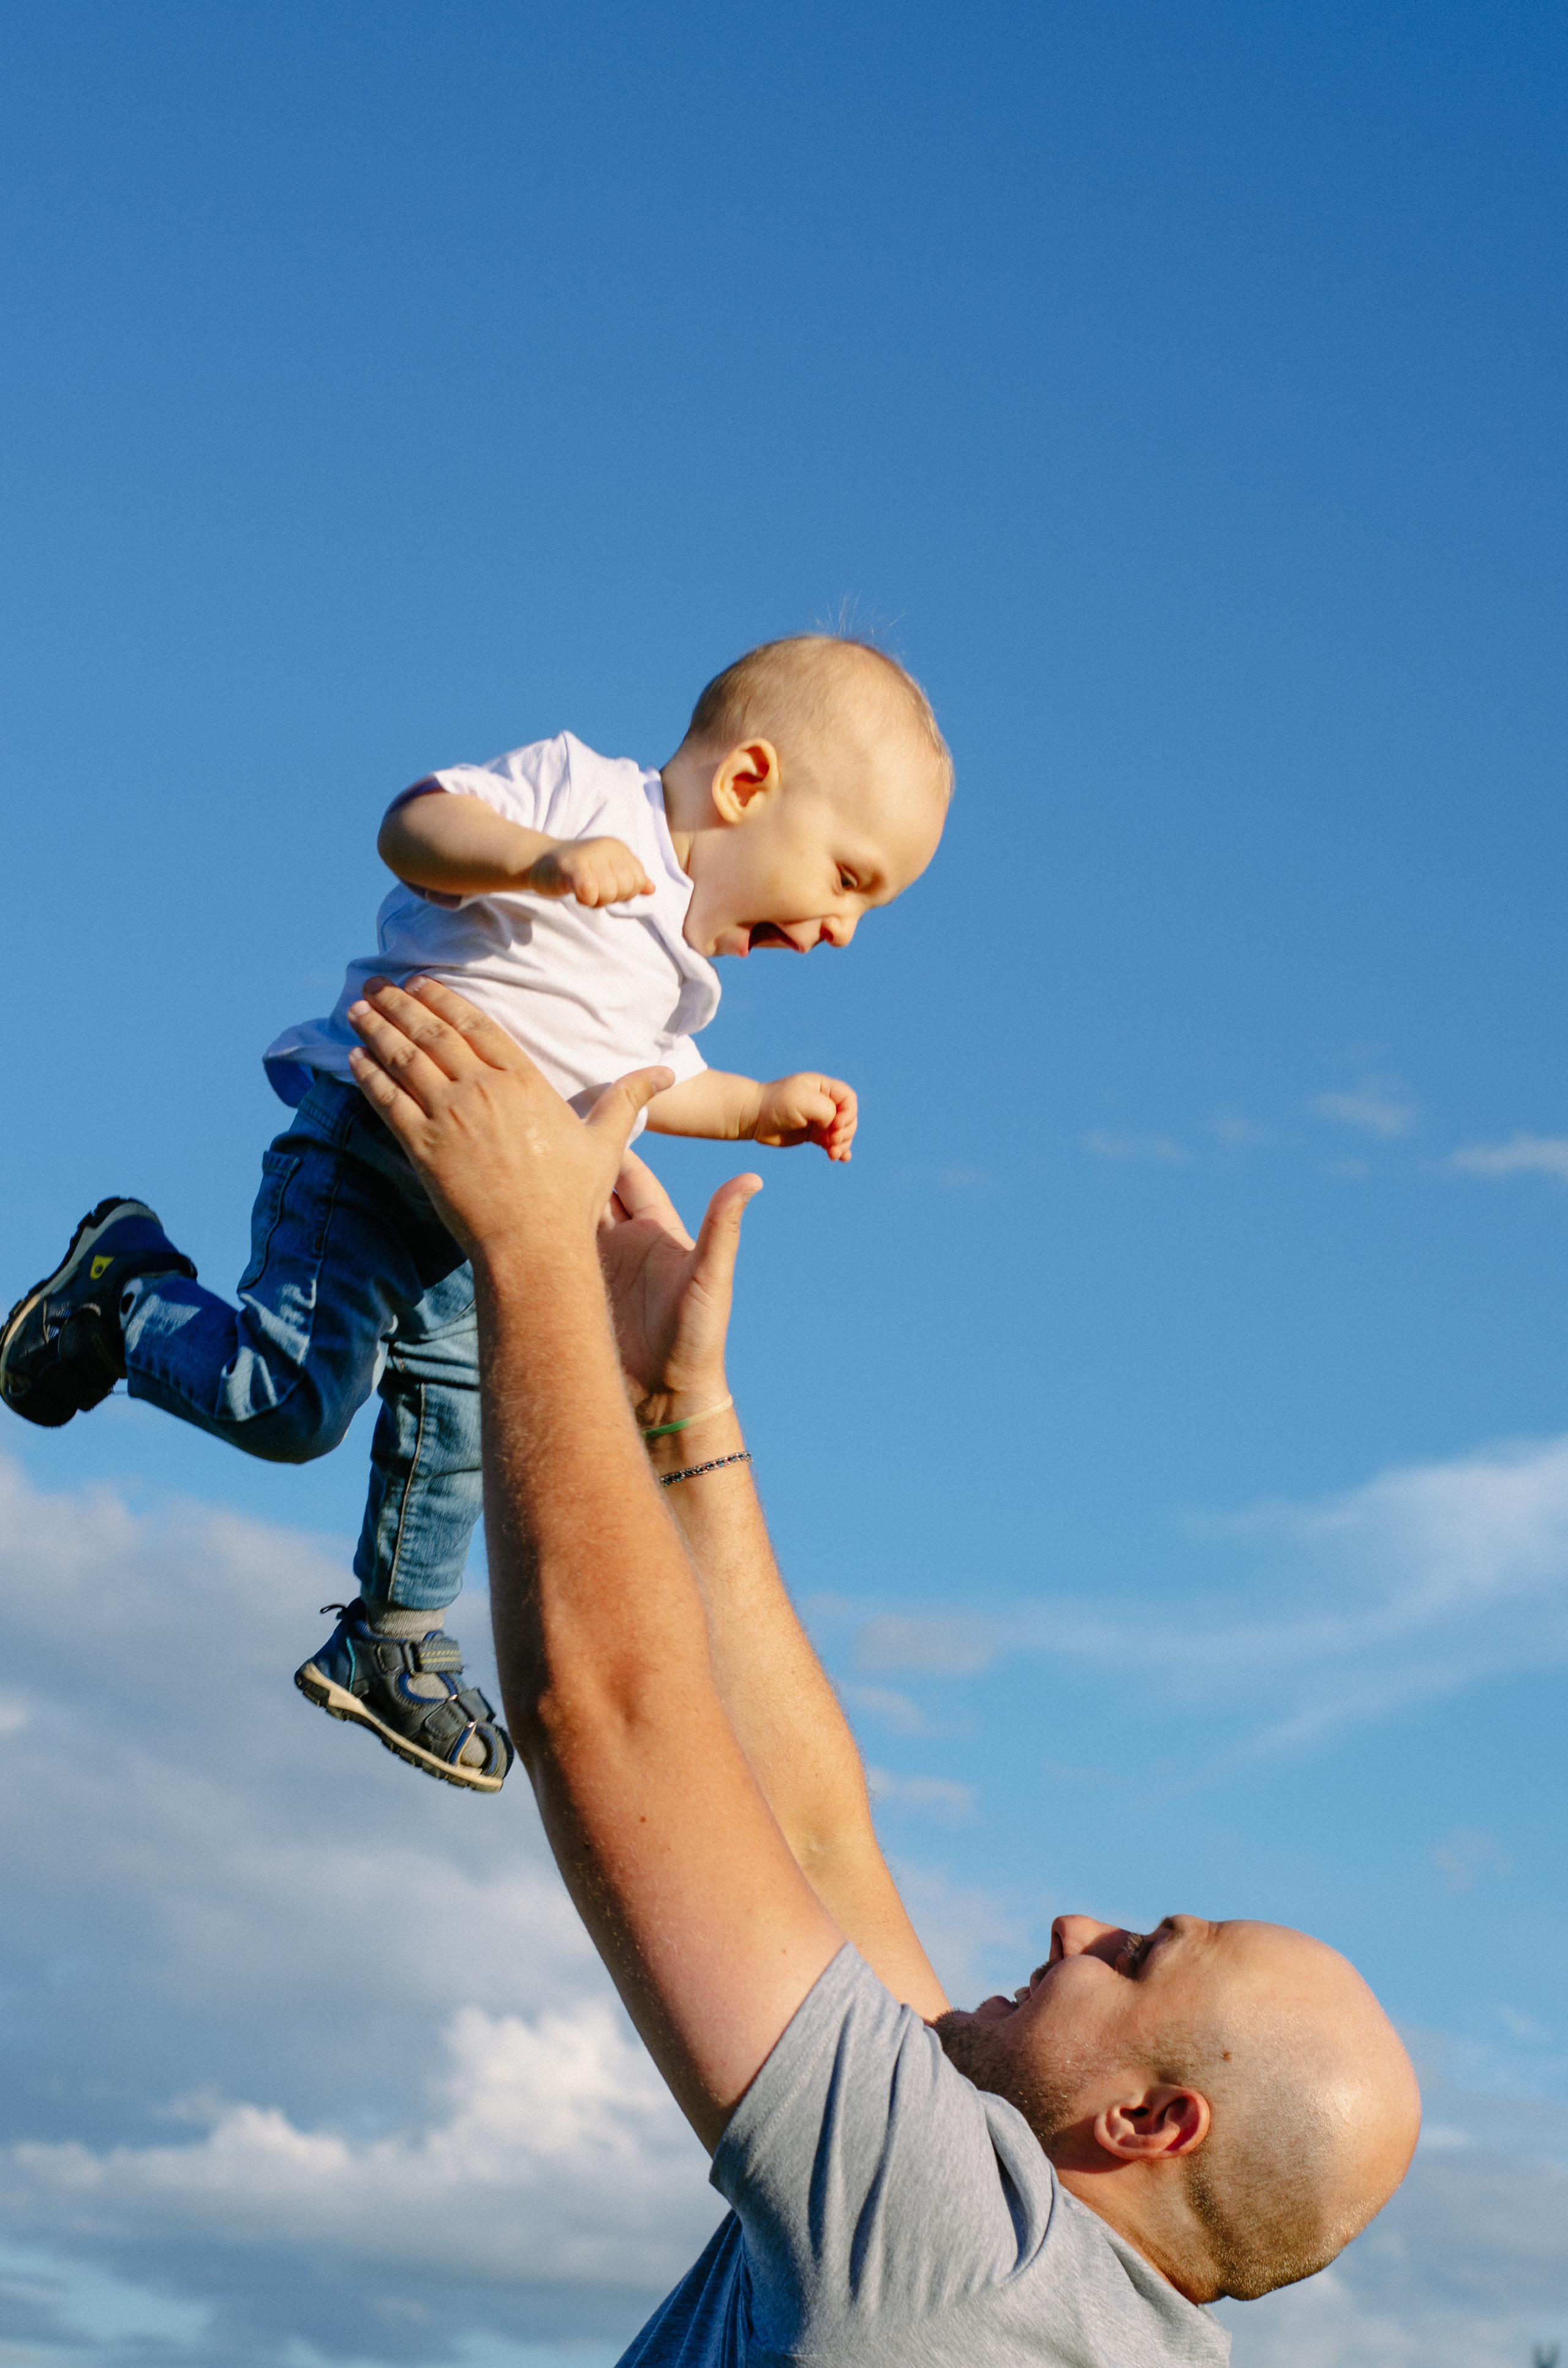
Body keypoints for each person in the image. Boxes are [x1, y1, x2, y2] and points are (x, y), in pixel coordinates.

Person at [337, 972, 1423, 2362]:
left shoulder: (958, 2259)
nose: (1074, 1924)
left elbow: (607, 1718)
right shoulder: (1063, 2292)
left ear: (1150, 2124)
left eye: (1140, 1956)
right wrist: (675, 1419)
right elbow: (810, 1843)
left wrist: (526, 1245)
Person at [0, 635, 950, 1792]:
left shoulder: (677, 974)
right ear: (749, 785)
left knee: (457, 1432)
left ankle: (392, 1635)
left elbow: (651, 1085)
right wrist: (539, 861)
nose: (845, 930)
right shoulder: (588, 795)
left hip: (474, 1219)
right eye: (851, 880)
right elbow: (415, 825)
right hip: (371, 1141)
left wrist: (758, 1106)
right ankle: (124, 1294)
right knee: (293, 1402)